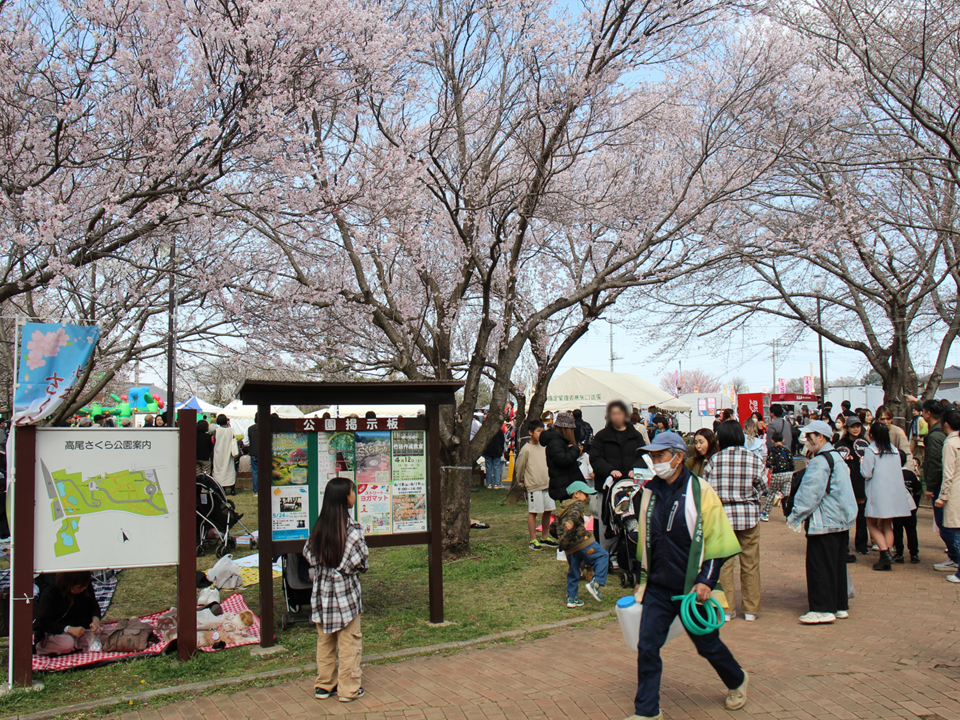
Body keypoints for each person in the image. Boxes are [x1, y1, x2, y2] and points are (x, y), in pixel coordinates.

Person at [627, 431, 748, 719]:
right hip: (657, 585)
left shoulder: (701, 490)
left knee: (708, 645)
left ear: (679, 457)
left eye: (660, 456)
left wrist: (706, 580)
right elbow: (646, 538)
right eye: (652, 456)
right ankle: (646, 711)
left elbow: (717, 540)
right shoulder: (648, 491)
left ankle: (737, 679)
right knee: (647, 646)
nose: (655, 462)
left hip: (690, 588)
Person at [303, 477, 368, 702]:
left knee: (325, 639)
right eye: (352, 491)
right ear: (344, 498)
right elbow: (359, 561)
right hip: (346, 594)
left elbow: (308, 554)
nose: (354, 495)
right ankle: (348, 688)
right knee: (350, 641)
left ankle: (324, 684)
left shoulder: (319, 527)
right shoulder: (353, 529)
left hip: (322, 593)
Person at [786, 420, 858, 624]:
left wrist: (795, 516)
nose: (806, 441)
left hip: (824, 521)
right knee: (835, 564)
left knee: (819, 566)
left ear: (820, 436)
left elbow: (810, 492)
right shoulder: (836, 457)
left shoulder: (820, 461)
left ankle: (822, 609)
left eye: (809, 436)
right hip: (840, 520)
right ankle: (839, 605)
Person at [703, 420, 765, 622]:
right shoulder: (754, 459)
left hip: (722, 519)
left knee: (724, 565)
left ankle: (726, 609)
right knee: (750, 563)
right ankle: (750, 610)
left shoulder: (714, 461)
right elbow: (764, 487)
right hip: (748, 516)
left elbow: (706, 490)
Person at [861, 422, 916, 571]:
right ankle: (888, 554)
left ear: (872, 435)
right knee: (887, 524)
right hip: (893, 493)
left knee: (871, 523)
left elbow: (866, 473)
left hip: (877, 492)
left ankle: (884, 553)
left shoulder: (871, 450)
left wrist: (862, 464)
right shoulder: (895, 451)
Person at [589, 400, 643, 552]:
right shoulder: (601, 436)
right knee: (606, 519)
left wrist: (636, 469)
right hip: (607, 486)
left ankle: (630, 549)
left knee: (632, 517)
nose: (616, 417)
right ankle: (606, 553)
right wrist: (609, 470)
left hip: (632, 486)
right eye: (613, 414)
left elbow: (643, 455)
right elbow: (595, 458)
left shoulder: (636, 436)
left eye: (619, 413)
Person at [557, 481, 607, 608]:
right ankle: (596, 583)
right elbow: (575, 513)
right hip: (582, 542)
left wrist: (561, 538)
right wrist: (571, 522)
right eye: (585, 495)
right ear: (576, 494)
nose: (587, 499)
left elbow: (553, 527)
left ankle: (572, 598)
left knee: (574, 571)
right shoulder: (577, 504)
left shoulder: (563, 509)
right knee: (602, 556)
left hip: (570, 547)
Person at [34, 572, 104, 655]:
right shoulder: (50, 592)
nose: (83, 589)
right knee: (66, 644)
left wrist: (95, 622)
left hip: (82, 629)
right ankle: (43, 647)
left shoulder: (85, 586)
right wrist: (68, 629)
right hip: (57, 632)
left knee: (105, 635)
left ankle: (78, 644)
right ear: (69, 584)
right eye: (79, 587)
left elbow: (93, 606)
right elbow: (45, 623)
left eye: (85, 586)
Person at [514, 421, 558, 551]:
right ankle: (533, 539)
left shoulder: (545, 446)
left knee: (548, 510)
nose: (541, 433)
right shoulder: (526, 449)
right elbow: (520, 466)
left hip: (547, 484)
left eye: (542, 430)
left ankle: (545, 537)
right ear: (530, 432)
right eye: (538, 431)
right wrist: (521, 479)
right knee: (534, 511)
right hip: (534, 485)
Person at [922, 400, 954, 571]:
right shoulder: (942, 433)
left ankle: (954, 557)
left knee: (944, 524)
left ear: (927, 414)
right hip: (946, 485)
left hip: (941, 486)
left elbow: (935, 463)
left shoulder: (936, 436)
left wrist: (930, 486)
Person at [834, 416, 870, 557]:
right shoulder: (840, 444)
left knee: (862, 516)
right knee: (846, 515)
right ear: (847, 428)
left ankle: (862, 545)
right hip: (846, 484)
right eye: (852, 426)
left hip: (862, 483)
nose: (856, 429)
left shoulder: (865, 443)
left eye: (858, 426)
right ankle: (844, 546)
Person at [937, 410, 960, 584]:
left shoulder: (950, 443)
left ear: (945, 424)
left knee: (956, 533)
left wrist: (942, 496)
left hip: (954, 493)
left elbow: (948, 474)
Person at [541, 412, 584, 501]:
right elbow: (563, 460)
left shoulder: (559, 442)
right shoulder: (555, 442)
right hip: (564, 486)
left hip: (566, 484)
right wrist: (575, 450)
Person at [761, 431, 793, 522]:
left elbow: (769, 463)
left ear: (773, 440)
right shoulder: (787, 450)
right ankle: (789, 515)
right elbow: (791, 463)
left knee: (771, 494)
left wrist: (770, 468)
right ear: (783, 440)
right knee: (787, 495)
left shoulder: (772, 450)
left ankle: (766, 513)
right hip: (788, 474)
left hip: (777, 474)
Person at [876, 405, 913, 470]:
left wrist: (906, 470)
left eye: (888, 419)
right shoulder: (872, 432)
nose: (886, 422)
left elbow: (907, 454)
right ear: (877, 419)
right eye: (882, 419)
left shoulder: (898, 432)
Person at [212, 413, 238, 495]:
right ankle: (232, 488)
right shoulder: (231, 430)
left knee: (219, 470)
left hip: (218, 453)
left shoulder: (216, 431)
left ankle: (222, 488)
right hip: (228, 452)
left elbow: (214, 442)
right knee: (230, 470)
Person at [481, 421, 506, 489]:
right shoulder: (499, 431)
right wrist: (502, 449)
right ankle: (496, 484)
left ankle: (489, 483)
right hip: (497, 451)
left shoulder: (487, 431)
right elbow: (502, 441)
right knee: (496, 467)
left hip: (488, 451)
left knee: (488, 468)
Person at [245, 415, 260, 496]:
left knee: (255, 472)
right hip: (264, 454)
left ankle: (256, 491)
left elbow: (246, 442)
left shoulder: (250, 428)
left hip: (253, 453)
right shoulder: (266, 428)